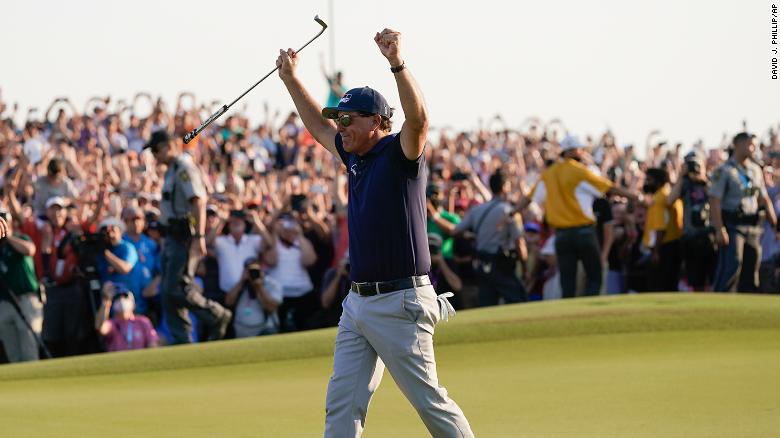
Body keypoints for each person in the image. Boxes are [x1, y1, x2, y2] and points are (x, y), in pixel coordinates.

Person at [276, 28, 474, 437]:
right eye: (340, 118)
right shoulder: (353, 155)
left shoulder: (400, 153)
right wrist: (292, 79)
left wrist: (397, 64)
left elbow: (419, 119)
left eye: (349, 119)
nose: (341, 125)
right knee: (342, 404)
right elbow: (317, 126)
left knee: (430, 403)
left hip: (402, 302)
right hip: (358, 303)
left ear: (378, 123)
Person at [517, 135, 636, 298]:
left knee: (568, 281)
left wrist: (512, 212)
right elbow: (609, 187)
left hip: (561, 235)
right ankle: (590, 312)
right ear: (572, 151)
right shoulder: (578, 170)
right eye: (580, 149)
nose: (582, 152)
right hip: (583, 232)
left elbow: (529, 197)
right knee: (595, 276)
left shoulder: (549, 174)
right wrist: (634, 196)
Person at [144, 130, 232, 344]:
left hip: (184, 237)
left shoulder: (184, 168)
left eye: (156, 151)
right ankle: (183, 341)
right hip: (172, 238)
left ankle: (217, 315)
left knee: (178, 288)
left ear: (166, 147)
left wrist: (199, 237)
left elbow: (198, 202)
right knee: (167, 293)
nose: (154, 156)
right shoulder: (171, 170)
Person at [709, 132, 778, 292]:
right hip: (733, 226)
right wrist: (720, 229)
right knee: (732, 265)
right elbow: (715, 200)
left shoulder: (755, 170)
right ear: (737, 145)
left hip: (753, 226)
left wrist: (775, 225)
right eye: (749, 144)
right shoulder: (724, 170)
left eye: (754, 144)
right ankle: (719, 303)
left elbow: (764, 198)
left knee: (752, 267)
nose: (753, 148)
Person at [453, 170, 527, 306]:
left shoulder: (477, 210)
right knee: (518, 301)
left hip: (482, 264)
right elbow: (519, 242)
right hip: (502, 265)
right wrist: (525, 268)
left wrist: (470, 235)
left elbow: (456, 231)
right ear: (504, 186)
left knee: (487, 305)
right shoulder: (509, 211)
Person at [667, 152, 716, 290]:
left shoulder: (710, 181)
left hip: (708, 236)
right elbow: (670, 200)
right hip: (690, 236)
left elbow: (715, 198)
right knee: (695, 279)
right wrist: (681, 176)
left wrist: (703, 178)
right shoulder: (685, 184)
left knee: (711, 278)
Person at [0, 209, 43, 362]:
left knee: (29, 347)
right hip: (5, 302)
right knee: (12, 351)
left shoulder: (19, 238)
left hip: (25, 299)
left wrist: (7, 236)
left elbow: (29, 250)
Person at [266, 214, 318, 332]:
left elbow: (309, 261)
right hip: (280, 295)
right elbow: (271, 261)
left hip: (303, 293)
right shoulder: (273, 242)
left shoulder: (303, 242)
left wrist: (299, 235)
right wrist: (275, 233)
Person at [641, 168, 683, 291]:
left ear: (658, 182)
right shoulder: (667, 195)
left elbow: (660, 228)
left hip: (664, 248)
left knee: (660, 285)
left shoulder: (659, 199)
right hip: (671, 246)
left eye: (649, 180)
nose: (646, 182)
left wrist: (656, 251)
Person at [224, 258, 283, 338]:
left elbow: (271, 307)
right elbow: (228, 302)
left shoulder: (272, 284)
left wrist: (259, 287)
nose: (252, 273)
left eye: (255, 269)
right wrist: (241, 282)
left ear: (261, 269)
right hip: (241, 330)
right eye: (249, 270)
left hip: (265, 330)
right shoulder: (240, 284)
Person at [95, 282, 158, 352]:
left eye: (125, 297)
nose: (122, 301)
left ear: (133, 304)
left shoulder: (143, 322)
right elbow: (100, 327)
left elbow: (152, 344)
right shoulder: (112, 324)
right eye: (118, 298)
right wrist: (106, 301)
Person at [95, 216, 138, 293]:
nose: (110, 234)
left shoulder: (127, 247)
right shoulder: (100, 248)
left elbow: (125, 268)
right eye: (106, 231)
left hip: (124, 294)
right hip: (106, 294)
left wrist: (106, 254)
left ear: (120, 232)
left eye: (113, 230)